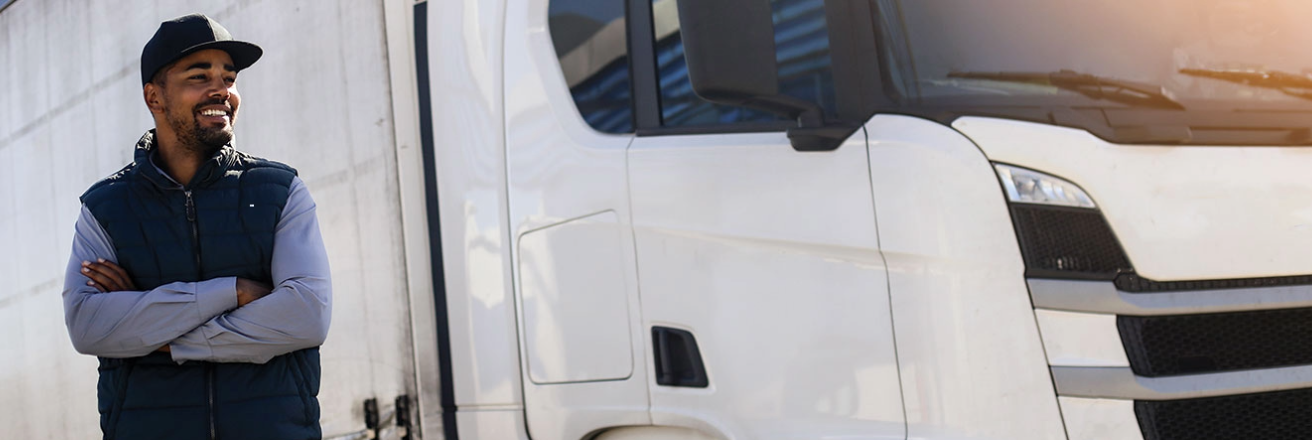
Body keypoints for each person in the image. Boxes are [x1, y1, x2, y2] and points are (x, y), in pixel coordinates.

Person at [60, 13, 332, 440]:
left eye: (228, 77)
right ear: (155, 97)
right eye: (198, 76)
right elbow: (88, 326)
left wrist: (157, 331)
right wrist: (233, 292)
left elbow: (306, 316)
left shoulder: (280, 191)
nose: (221, 90)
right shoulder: (105, 206)